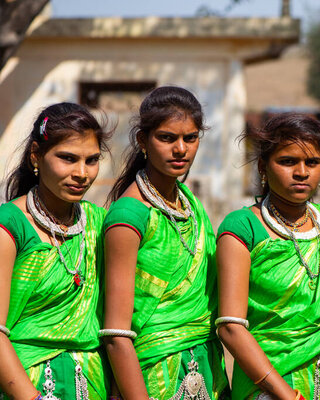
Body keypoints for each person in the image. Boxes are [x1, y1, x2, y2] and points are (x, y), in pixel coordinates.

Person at [216, 113, 320, 400]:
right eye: (287, 161)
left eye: (312, 162)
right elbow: (231, 327)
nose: (301, 172)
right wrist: (287, 396)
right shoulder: (243, 227)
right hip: (266, 389)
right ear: (263, 166)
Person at [102, 86, 229, 400]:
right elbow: (116, 334)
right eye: (167, 138)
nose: (181, 149)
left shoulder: (191, 206)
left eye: (190, 137)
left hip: (206, 370)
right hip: (150, 377)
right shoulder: (130, 214)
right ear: (143, 141)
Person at [0, 103, 111, 399]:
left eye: (92, 160)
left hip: (92, 384)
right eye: (68, 158)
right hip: (24, 385)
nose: (82, 173)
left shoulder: (99, 224)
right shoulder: (10, 225)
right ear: (36, 155)